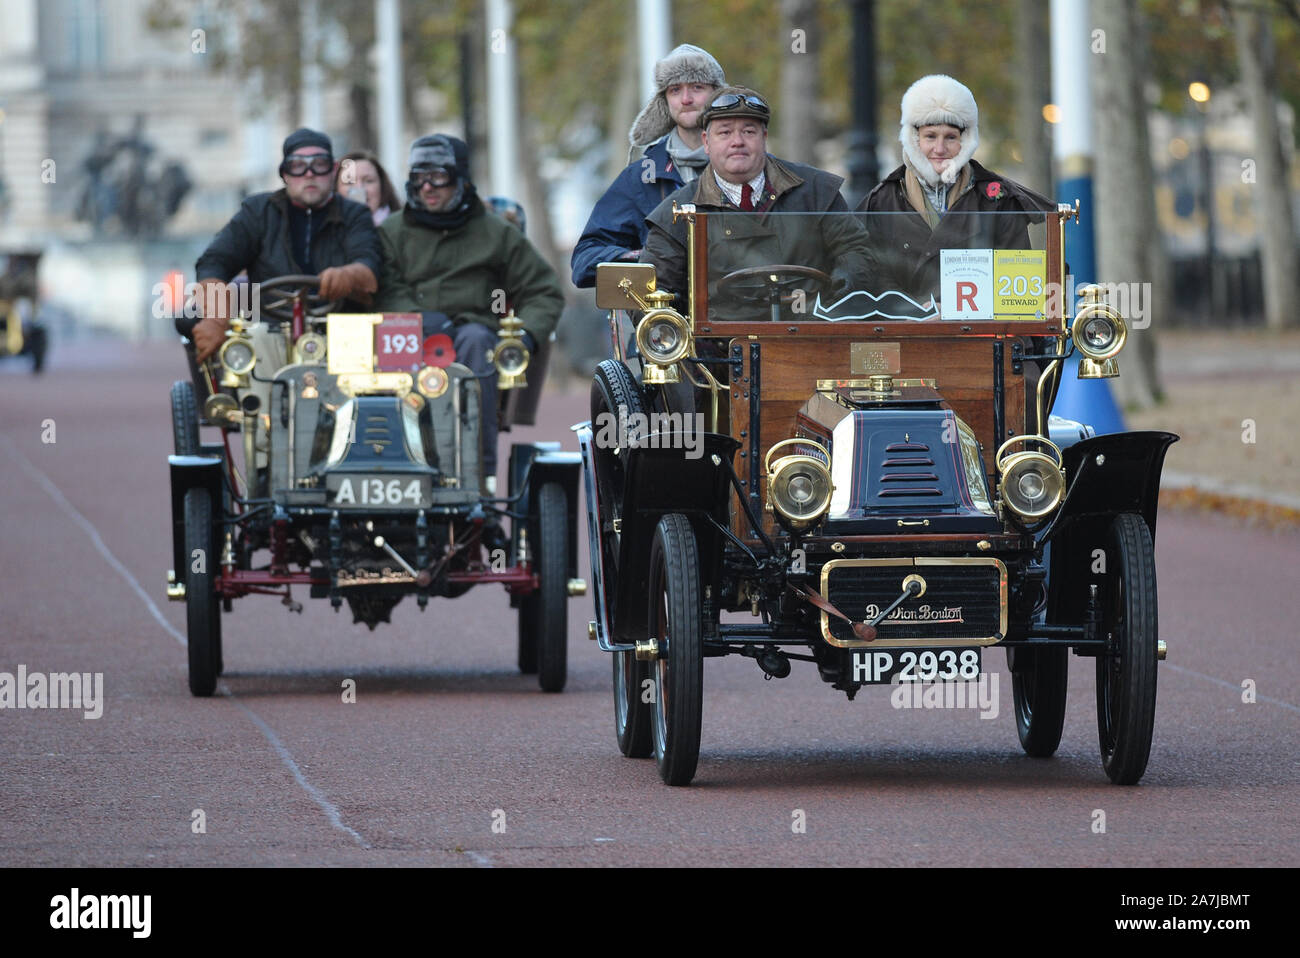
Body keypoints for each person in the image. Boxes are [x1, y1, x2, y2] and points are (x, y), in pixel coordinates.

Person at [375, 134, 564, 484]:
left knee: (479, 342)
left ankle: (478, 477)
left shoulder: (496, 232)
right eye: (418, 177)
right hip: (406, 333)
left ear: (461, 179)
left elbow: (544, 291)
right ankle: (388, 467)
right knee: (382, 344)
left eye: (439, 177)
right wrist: (416, 321)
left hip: (470, 335)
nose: (428, 187)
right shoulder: (391, 232)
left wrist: (522, 339)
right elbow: (383, 287)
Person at [642, 86, 872, 317]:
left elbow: (855, 251)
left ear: (764, 138)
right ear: (706, 142)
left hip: (813, 338)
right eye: (724, 133)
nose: (737, 142)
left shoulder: (816, 191)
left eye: (749, 132)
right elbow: (652, 292)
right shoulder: (677, 213)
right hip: (720, 348)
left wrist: (838, 295)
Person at [857, 74, 1054, 302]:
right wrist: (917, 314)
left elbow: (1016, 285)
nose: (939, 148)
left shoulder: (999, 200)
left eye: (950, 137)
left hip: (982, 333)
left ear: (966, 140)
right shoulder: (882, 201)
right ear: (913, 139)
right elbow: (872, 278)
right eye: (930, 136)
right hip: (906, 333)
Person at [192, 128, 381, 361]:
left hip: (340, 333)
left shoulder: (355, 214)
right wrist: (217, 317)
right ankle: (220, 398)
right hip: (269, 332)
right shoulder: (258, 212)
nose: (309, 174)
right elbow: (214, 262)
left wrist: (349, 275)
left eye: (319, 164)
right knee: (196, 323)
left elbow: (369, 264)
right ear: (285, 174)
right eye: (298, 166)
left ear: (333, 172)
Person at [569, 44, 725, 288]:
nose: (686, 99)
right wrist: (643, 259)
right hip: (666, 318)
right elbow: (584, 261)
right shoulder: (641, 178)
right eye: (675, 90)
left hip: (740, 316)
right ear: (664, 102)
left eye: (697, 87)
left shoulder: (749, 168)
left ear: (719, 95)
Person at [335, 150, 402, 226]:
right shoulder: (323, 230)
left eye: (368, 181)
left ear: (382, 186)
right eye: (349, 182)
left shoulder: (401, 230)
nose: (359, 188)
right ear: (336, 189)